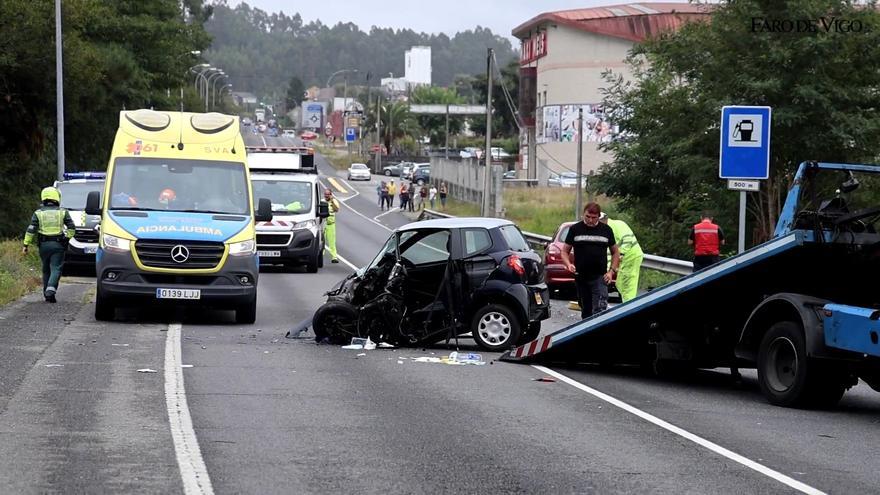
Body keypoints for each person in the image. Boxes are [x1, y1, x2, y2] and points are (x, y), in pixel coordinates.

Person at [561, 203, 620, 318]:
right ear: (584, 214)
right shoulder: (575, 229)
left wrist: (611, 272)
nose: (590, 220)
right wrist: (568, 264)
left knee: (599, 309)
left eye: (594, 218)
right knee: (586, 309)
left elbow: (615, 252)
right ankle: (586, 331)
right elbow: (564, 251)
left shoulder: (606, 230)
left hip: (599, 277)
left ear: (599, 217)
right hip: (581, 276)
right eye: (587, 216)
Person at [22, 186, 76, 303]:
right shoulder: (63, 212)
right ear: (57, 198)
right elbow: (72, 228)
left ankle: (47, 295)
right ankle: (51, 290)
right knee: (56, 268)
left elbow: (31, 230)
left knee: (46, 269)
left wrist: (26, 245)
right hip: (58, 245)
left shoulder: (38, 213)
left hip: (43, 246)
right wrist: (66, 238)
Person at [599, 213, 643, 302]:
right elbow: (609, 254)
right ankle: (626, 304)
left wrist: (621, 254)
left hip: (631, 257)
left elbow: (627, 240)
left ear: (603, 220)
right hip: (624, 260)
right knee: (620, 284)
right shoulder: (605, 231)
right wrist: (608, 271)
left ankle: (629, 307)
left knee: (628, 284)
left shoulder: (618, 225)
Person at [323, 188, 340, 263]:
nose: (326, 196)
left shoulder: (334, 201)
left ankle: (334, 257)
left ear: (331, 195)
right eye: (325, 194)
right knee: (321, 241)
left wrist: (332, 201)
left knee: (332, 242)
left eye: (328, 194)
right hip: (322, 224)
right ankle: (320, 255)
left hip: (331, 224)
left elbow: (337, 209)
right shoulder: (322, 201)